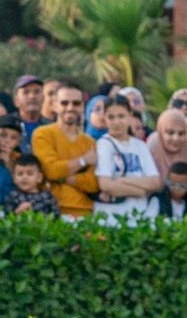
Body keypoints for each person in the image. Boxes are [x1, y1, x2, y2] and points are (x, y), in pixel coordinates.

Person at [31, 85, 99, 219]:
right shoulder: (42, 134)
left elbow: (93, 184)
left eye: (76, 103)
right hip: (52, 211)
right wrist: (83, 160)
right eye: (64, 103)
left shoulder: (90, 142)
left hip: (85, 212)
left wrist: (63, 177)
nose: (70, 107)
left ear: (83, 107)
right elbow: (50, 170)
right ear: (54, 105)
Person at [93, 96, 159, 225]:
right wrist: (139, 191)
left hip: (139, 216)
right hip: (111, 218)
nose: (116, 122)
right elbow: (106, 185)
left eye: (121, 116)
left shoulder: (140, 145)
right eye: (111, 117)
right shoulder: (104, 144)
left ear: (130, 115)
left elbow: (155, 182)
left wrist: (122, 181)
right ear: (104, 118)